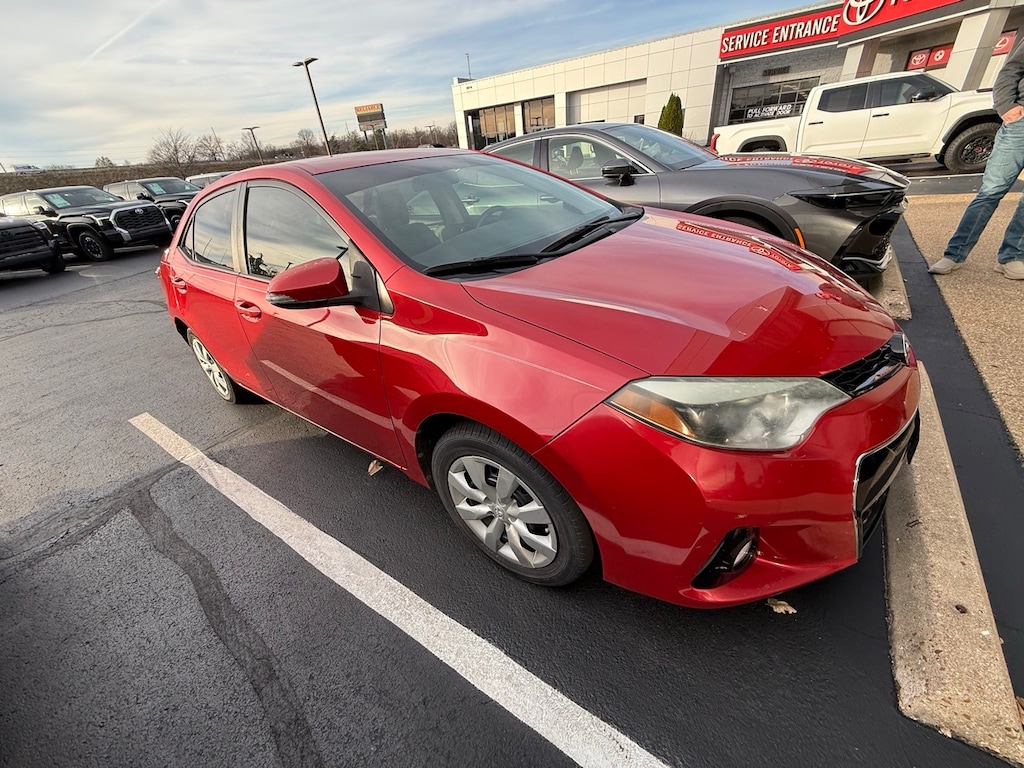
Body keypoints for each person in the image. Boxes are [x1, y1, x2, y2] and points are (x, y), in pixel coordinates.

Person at [929, 39, 1024, 280]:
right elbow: (1011, 69)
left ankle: (1012, 257)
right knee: (991, 191)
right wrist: (1006, 106)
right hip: (1020, 122)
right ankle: (954, 254)